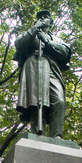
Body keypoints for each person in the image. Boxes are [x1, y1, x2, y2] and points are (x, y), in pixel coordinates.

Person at [14, 10, 71, 138]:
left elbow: (64, 53)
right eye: (40, 17)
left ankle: (57, 135)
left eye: (46, 17)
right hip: (33, 65)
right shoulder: (30, 34)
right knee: (35, 101)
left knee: (60, 100)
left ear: (51, 22)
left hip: (52, 68)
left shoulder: (57, 39)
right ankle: (37, 133)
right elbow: (20, 45)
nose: (43, 19)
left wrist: (48, 42)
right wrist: (35, 29)